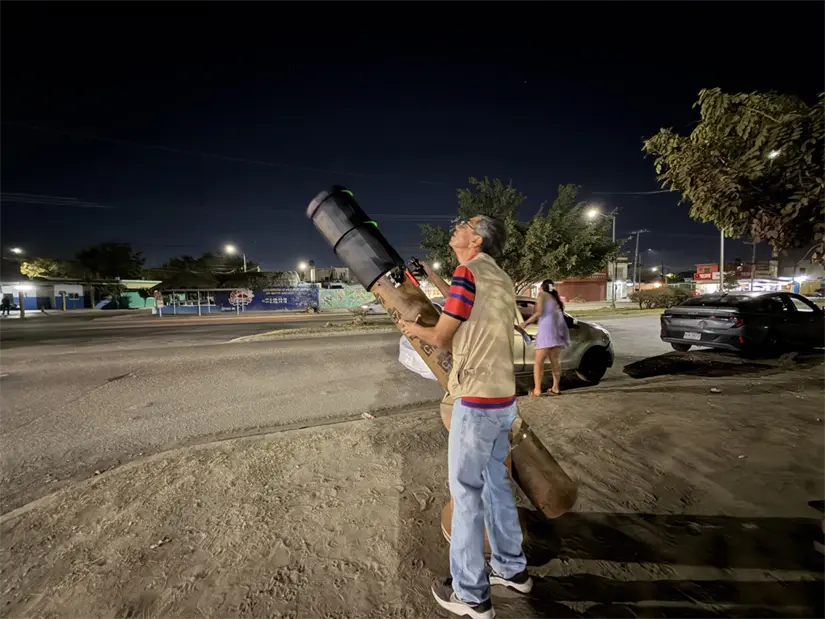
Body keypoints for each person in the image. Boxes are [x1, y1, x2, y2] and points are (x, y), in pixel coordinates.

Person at [399, 215, 532, 619]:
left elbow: (442, 334)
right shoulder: (497, 277)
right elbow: (463, 302)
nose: (456, 227)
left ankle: (471, 595)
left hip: (474, 402)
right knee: (496, 486)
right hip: (503, 399)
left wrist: (412, 328)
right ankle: (512, 570)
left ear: (475, 239)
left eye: (464, 224)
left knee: (467, 496)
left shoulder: (466, 274)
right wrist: (433, 278)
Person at [520, 279, 569, 396]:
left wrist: (526, 323)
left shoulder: (543, 295)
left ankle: (537, 390)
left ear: (542, 287)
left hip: (547, 331)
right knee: (555, 361)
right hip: (558, 331)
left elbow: (539, 312)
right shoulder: (555, 299)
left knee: (538, 362)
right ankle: (555, 388)